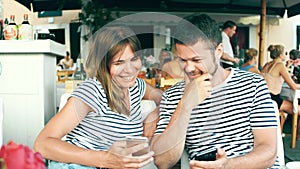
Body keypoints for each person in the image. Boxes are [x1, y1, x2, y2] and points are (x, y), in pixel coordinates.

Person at [150, 13, 278, 169]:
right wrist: (184, 106)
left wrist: (228, 165)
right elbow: (162, 162)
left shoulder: (253, 85)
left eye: (197, 60)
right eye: (183, 60)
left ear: (218, 51)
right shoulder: (173, 96)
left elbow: (269, 151)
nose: (189, 68)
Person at [34, 26, 163, 169]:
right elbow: (42, 144)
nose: (129, 69)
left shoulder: (136, 86)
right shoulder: (92, 91)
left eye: (134, 59)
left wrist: (155, 113)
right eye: (119, 63)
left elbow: (164, 98)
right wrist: (105, 159)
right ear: (104, 64)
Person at [261, 44, 300, 116]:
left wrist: (287, 66)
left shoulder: (267, 64)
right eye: (285, 53)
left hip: (263, 97)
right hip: (272, 99)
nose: (286, 55)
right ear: (280, 55)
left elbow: (275, 78)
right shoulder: (280, 65)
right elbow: (293, 86)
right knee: (297, 109)